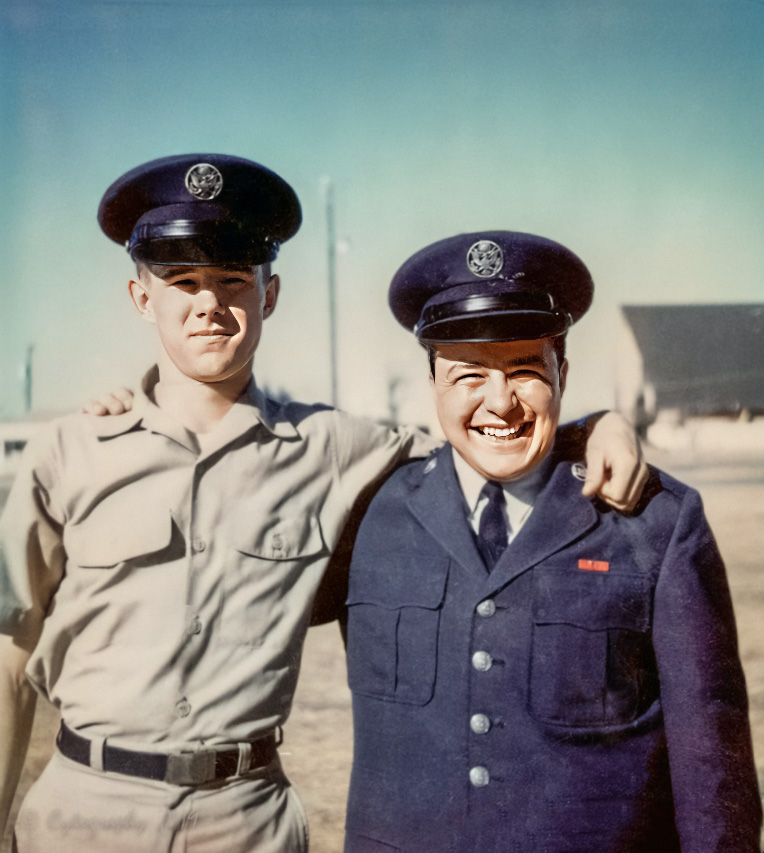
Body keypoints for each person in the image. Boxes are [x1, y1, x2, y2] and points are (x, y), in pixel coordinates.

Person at [0, 155, 644, 853]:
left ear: (269, 294)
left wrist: (594, 425)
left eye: (232, 280)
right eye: (181, 282)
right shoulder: (67, 451)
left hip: (243, 820)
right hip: (84, 811)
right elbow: (9, 656)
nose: (208, 304)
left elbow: (482, 434)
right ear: (139, 296)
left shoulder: (335, 446)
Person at [344, 231, 762, 852]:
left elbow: (711, 762)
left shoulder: (656, 522)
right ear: (432, 382)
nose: (500, 403)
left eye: (525, 370)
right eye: (468, 375)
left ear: (562, 375)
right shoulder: (369, 510)